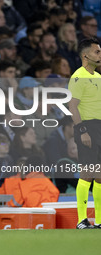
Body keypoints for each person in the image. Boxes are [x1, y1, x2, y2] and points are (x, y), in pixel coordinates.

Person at [68, 38, 101, 229]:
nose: (100, 55)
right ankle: (81, 219)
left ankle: (99, 220)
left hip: (100, 127)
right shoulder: (78, 77)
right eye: (97, 52)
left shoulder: (98, 77)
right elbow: (73, 106)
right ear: (85, 55)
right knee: (87, 173)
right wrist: (82, 131)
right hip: (87, 128)